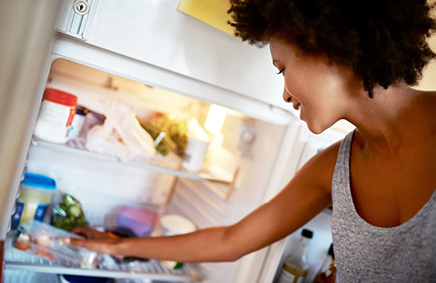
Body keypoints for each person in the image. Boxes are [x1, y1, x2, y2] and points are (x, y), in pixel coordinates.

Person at [65, 0, 436, 281]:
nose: (285, 94)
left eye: (283, 69)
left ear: (330, 47)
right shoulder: (333, 167)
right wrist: (117, 245)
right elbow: (232, 240)